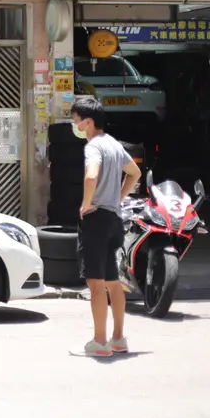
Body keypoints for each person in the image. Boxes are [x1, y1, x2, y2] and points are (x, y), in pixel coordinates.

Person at [71, 97, 141, 358]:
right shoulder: (114, 144)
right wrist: (118, 198)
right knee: (113, 282)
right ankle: (119, 339)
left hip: (96, 220)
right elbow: (134, 173)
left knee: (96, 284)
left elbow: (91, 176)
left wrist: (85, 204)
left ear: (88, 122)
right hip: (113, 220)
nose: (76, 125)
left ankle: (100, 342)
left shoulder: (94, 146)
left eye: (77, 121)